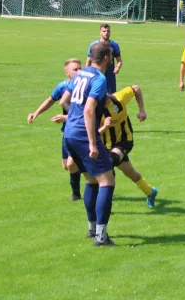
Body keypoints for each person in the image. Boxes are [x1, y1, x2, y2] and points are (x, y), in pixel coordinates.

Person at [60, 41, 116, 247]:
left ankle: (92, 228)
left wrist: (72, 118)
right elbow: (90, 110)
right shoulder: (99, 78)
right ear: (107, 59)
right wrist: (93, 142)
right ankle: (101, 236)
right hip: (84, 135)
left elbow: (65, 101)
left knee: (92, 181)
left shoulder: (81, 74)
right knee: (107, 181)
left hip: (70, 134)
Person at [27, 59, 83, 201]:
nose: (79, 71)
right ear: (67, 73)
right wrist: (36, 113)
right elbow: (50, 100)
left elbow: (87, 112)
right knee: (66, 165)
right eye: (75, 69)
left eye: (80, 68)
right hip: (68, 131)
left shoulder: (85, 87)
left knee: (71, 164)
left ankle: (76, 194)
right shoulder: (63, 86)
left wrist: (65, 117)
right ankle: (88, 172)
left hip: (82, 130)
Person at [98, 85, 158, 208]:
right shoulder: (92, 109)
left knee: (108, 164)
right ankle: (150, 192)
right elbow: (91, 132)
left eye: (107, 98)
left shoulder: (118, 98)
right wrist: (104, 127)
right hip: (105, 145)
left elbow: (136, 88)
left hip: (124, 141)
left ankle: (105, 204)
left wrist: (142, 110)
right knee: (130, 173)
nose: (107, 101)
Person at [85, 24, 122, 93]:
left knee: (111, 97)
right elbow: (88, 60)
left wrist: (117, 68)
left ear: (110, 32)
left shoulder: (114, 45)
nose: (106, 33)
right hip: (96, 74)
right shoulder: (94, 45)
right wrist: (87, 73)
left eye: (108, 31)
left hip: (110, 75)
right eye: (104, 31)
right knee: (95, 94)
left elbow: (119, 60)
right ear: (100, 32)